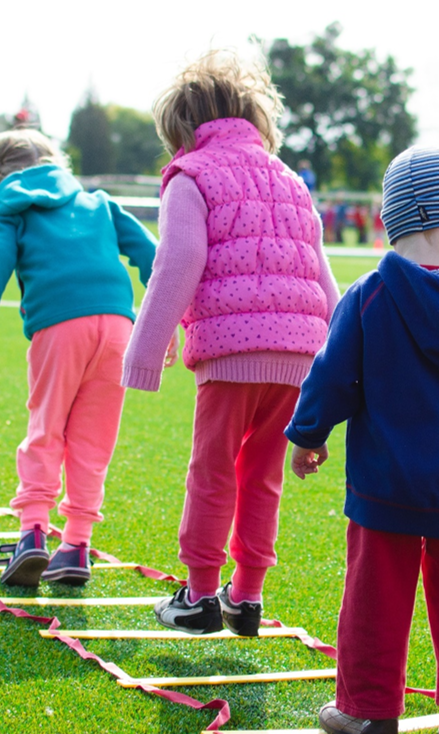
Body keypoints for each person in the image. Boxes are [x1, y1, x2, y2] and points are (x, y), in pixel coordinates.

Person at [286, 146, 439, 734]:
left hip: (384, 483)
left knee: (375, 596)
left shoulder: (370, 294)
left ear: (387, 222)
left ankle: (369, 708)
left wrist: (308, 435)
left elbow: (332, 375)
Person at [121, 48, 340, 635]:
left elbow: (181, 260)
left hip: (232, 351)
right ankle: (245, 595)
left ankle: (197, 596)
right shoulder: (290, 179)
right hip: (300, 355)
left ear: (183, 130)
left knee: (212, 470)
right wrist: (341, 365)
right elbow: (322, 274)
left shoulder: (190, 176)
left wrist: (145, 350)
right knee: (262, 474)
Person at [0, 130, 157, 587]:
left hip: (60, 325)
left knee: (46, 428)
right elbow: (153, 255)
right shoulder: (99, 202)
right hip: (118, 328)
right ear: (54, 162)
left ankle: (32, 535)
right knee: (94, 440)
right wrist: (166, 319)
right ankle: (76, 546)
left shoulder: (10, 209)